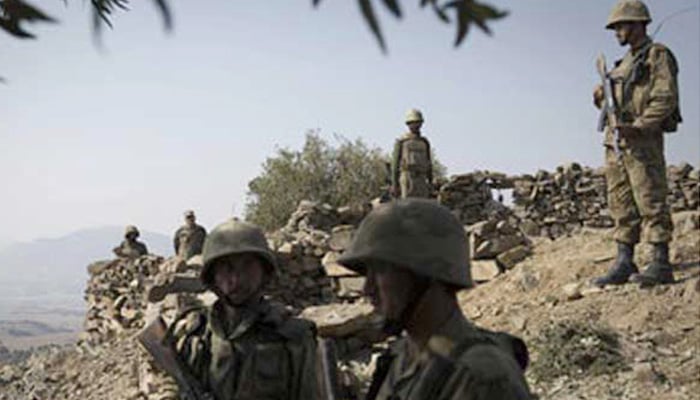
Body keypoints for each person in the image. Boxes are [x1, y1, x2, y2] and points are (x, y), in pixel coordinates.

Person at [337, 199, 533, 400]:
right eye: (366, 273)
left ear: (426, 275)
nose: (367, 289)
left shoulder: (483, 375)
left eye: (381, 271)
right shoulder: (401, 358)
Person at [167, 218, 321, 399]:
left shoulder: (294, 336)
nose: (236, 279)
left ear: (265, 272)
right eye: (226, 268)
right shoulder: (196, 332)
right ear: (212, 277)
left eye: (247, 266)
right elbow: (171, 383)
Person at [593, 0, 682, 287]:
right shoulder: (622, 65)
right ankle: (624, 259)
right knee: (620, 202)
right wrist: (601, 94)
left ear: (638, 24)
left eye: (621, 26)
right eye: (615, 27)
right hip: (616, 142)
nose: (617, 32)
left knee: (650, 198)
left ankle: (660, 262)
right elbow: (608, 102)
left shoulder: (657, 56)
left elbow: (664, 99)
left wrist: (640, 127)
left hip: (642, 140)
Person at [391, 109, 434, 199]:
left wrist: (430, 182)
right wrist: (394, 185)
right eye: (412, 122)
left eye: (418, 122)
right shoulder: (402, 141)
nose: (415, 125)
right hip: (407, 178)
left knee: (422, 206)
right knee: (407, 206)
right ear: (408, 124)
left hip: (422, 179)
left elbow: (429, 163)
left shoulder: (424, 142)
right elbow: (395, 165)